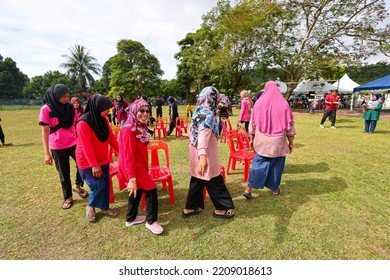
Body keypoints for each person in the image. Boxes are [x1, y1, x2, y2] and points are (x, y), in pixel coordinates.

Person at [182, 86, 235, 219]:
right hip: (204, 154)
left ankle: (190, 208)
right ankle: (222, 209)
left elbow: (194, 131)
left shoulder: (198, 111)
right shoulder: (209, 114)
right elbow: (203, 135)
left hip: (196, 153)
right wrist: (203, 156)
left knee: (197, 179)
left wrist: (187, 134)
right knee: (214, 179)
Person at [117, 99, 164, 234]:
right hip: (131, 166)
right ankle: (151, 221)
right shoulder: (128, 129)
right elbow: (128, 156)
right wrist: (132, 178)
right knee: (151, 189)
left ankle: (130, 218)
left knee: (136, 190)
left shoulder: (140, 126)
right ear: (133, 111)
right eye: (141, 111)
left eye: (147, 111)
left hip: (139, 165)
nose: (145, 114)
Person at [242, 81, 295, 199]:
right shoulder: (284, 104)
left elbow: (252, 124)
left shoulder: (259, 103)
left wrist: (252, 138)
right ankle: (275, 189)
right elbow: (290, 125)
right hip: (278, 142)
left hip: (261, 140)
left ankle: (248, 188)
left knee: (258, 163)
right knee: (277, 165)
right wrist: (291, 142)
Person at [39, 84, 88, 210]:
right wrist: (46, 153)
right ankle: (68, 197)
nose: (67, 99)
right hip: (57, 146)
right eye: (64, 97)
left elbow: (76, 125)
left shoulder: (70, 107)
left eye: (68, 96)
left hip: (74, 142)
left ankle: (77, 185)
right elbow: (45, 131)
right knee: (63, 172)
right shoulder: (46, 109)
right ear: (56, 96)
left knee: (83, 164)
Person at [76, 95, 119, 222]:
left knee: (105, 183)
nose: (109, 112)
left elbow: (111, 137)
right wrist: (94, 164)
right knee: (98, 184)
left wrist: (121, 151)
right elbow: (86, 146)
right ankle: (91, 206)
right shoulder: (83, 123)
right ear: (98, 107)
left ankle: (104, 207)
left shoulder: (103, 119)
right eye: (107, 109)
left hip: (103, 158)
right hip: (87, 162)